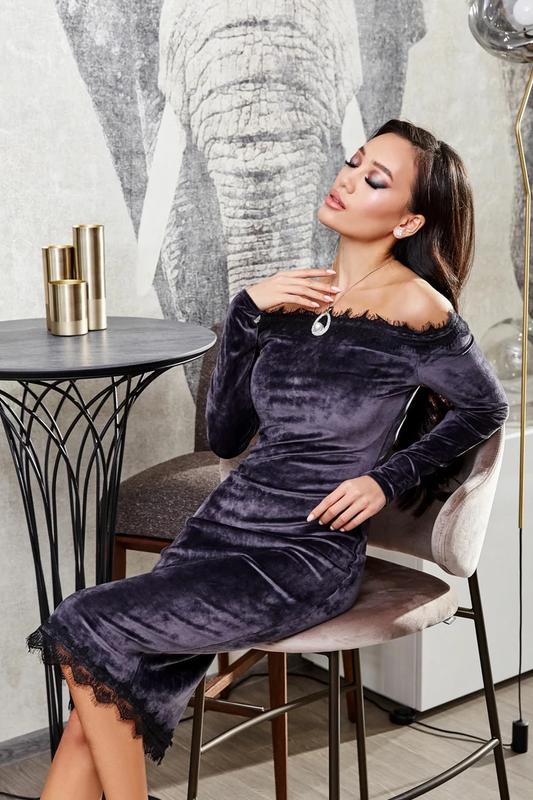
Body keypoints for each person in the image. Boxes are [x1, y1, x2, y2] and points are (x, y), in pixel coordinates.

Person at [26, 118, 509, 800]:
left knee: (86, 622)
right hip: (218, 533)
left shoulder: (416, 308)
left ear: (407, 222)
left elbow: (485, 408)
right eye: (353, 162)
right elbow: (225, 438)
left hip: (302, 555)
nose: (347, 179)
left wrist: (384, 479)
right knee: (99, 708)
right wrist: (246, 314)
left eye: (374, 180)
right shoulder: (289, 298)